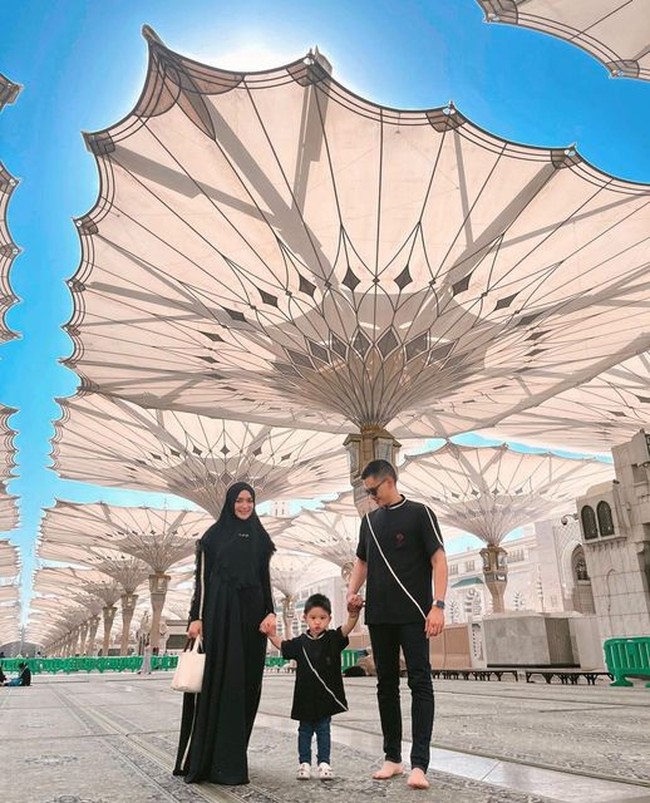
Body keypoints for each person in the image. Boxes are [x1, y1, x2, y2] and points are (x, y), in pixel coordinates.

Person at [347, 459, 448, 791]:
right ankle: (392, 757)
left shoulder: (420, 514)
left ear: (390, 481)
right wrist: (352, 592)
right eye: (367, 492)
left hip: (414, 614)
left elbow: (438, 559)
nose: (371, 497)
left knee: (420, 683)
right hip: (379, 615)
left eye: (373, 490)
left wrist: (438, 605)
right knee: (386, 686)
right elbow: (362, 561)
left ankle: (419, 764)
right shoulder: (369, 521)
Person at [174, 482, 277, 785]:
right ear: (230, 502)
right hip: (221, 616)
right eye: (239, 500)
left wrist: (271, 611)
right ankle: (214, 760)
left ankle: (233, 755)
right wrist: (196, 617)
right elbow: (202, 581)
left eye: (249, 500)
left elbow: (265, 579)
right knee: (224, 681)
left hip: (253, 620)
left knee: (248, 684)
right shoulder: (213, 537)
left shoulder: (260, 538)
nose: (245, 506)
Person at [267, 592, 361, 781]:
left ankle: (324, 763)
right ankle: (304, 763)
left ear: (329, 619)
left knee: (324, 730)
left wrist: (353, 614)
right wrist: (271, 634)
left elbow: (347, 628)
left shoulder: (333, 638)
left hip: (325, 698)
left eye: (322, 618)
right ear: (305, 618)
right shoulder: (300, 642)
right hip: (305, 697)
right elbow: (283, 646)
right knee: (304, 731)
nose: (317, 622)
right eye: (313, 617)